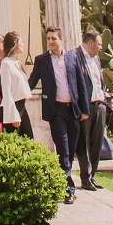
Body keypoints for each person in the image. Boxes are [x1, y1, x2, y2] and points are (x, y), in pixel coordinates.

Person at [28, 26, 89, 203]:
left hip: (73, 110)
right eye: (48, 39)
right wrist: (18, 92)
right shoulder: (42, 60)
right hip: (56, 111)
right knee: (62, 149)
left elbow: (81, 85)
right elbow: (32, 81)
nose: (50, 42)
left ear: (61, 40)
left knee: (70, 151)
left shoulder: (73, 58)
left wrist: (84, 110)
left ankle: (63, 182)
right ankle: (68, 189)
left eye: (54, 38)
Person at [75, 30, 106, 191]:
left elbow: (99, 81)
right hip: (85, 108)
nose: (101, 47)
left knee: (96, 143)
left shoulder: (97, 59)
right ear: (91, 43)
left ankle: (92, 175)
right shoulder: (75, 56)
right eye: (99, 44)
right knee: (84, 144)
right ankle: (85, 178)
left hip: (99, 106)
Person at [0, 31, 34, 137]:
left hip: (21, 106)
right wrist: (13, 115)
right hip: (12, 107)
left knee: (29, 139)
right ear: (15, 43)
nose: (23, 45)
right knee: (14, 141)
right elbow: (6, 90)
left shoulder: (16, 63)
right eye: (21, 42)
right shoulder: (6, 64)